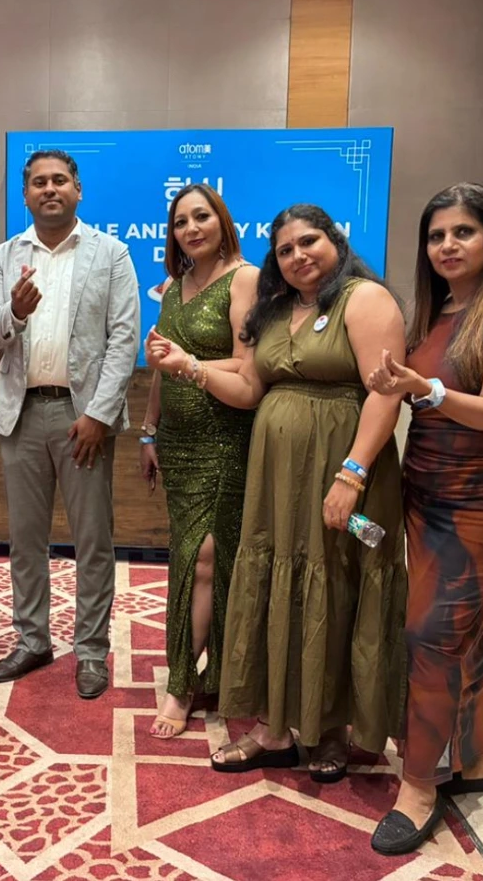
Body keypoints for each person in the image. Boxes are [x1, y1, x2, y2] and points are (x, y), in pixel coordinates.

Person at [147, 204, 407, 780]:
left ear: (336, 240)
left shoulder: (364, 299)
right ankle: (274, 729)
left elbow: (385, 393)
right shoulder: (276, 310)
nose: (298, 256)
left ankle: (331, 729)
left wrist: (352, 475)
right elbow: (248, 389)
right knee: (275, 588)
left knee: (335, 583)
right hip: (276, 478)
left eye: (309, 242)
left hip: (341, 470)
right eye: (286, 250)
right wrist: (189, 366)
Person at [368, 183, 483, 855]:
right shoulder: (435, 312)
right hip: (427, 493)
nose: (447, 245)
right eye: (436, 235)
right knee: (458, 628)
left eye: (462, 232)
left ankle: (419, 787)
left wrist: (426, 389)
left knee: (430, 634)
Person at [0, 149, 140, 700]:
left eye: (60, 180)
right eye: (39, 182)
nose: (50, 189)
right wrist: (15, 313)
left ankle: (91, 649)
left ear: (78, 189)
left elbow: (124, 337)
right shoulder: (5, 255)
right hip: (20, 414)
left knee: (93, 539)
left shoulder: (111, 253)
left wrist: (98, 414)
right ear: (25, 195)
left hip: (82, 418)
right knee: (26, 539)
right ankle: (33, 640)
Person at [140, 184, 256, 738]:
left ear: (222, 219)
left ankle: (183, 683)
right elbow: (162, 368)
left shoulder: (246, 279)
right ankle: (208, 675)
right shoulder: (174, 287)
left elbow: (249, 368)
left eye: (201, 216)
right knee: (190, 558)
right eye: (181, 221)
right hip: (178, 443)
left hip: (225, 438)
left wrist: (189, 365)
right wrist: (148, 430)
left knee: (207, 558)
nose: (191, 229)